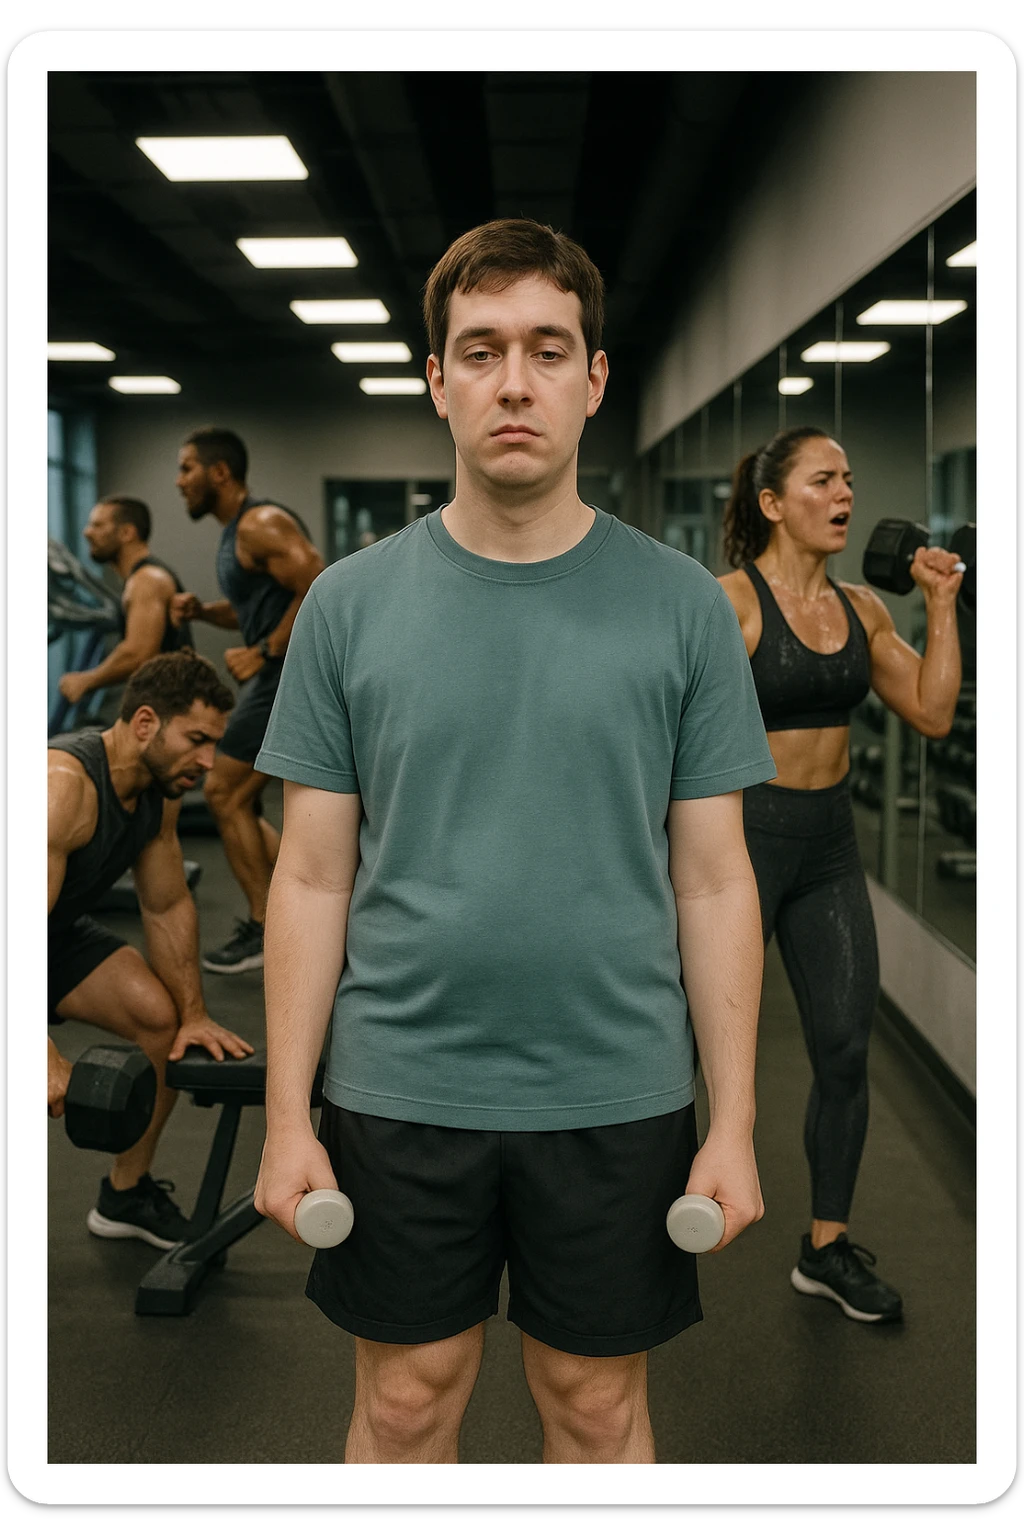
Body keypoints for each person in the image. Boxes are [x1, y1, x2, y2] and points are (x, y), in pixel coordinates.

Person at [252, 218, 778, 1465]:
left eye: (548, 350)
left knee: (593, 1408)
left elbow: (712, 881)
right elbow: (313, 873)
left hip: (615, 1086)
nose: (513, 381)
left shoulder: (684, 610)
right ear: (436, 381)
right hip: (397, 1083)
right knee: (405, 1400)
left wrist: (737, 1118)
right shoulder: (347, 605)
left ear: (594, 380)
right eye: (479, 351)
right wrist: (286, 1114)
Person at [717, 425, 963, 1325]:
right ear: (774, 503)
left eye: (850, 479)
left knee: (845, 1050)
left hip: (827, 847)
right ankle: (633, 1224)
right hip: (739, 844)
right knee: (682, 1047)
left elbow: (933, 714)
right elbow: (660, 733)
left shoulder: (865, 610)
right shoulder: (730, 605)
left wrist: (940, 603)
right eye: (824, 480)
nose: (846, 494)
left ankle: (825, 1246)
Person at [48, 648, 256, 1247]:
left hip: (53, 935)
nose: (209, 760)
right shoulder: (62, 789)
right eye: (196, 739)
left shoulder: (159, 789)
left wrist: (193, 1013)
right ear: (145, 724)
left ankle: (124, 1193)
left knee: (158, 1021)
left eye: (214, 743)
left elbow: (164, 906)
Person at [169, 428, 325, 975]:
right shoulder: (236, 533)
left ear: (219, 472)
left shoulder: (260, 523)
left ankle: (266, 925)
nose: (179, 481)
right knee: (239, 798)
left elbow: (318, 583)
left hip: (286, 673)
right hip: (274, 673)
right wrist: (205, 612)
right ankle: (303, 908)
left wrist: (262, 653)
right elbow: (258, 605)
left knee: (223, 791)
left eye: (187, 468)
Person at [57, 496, 193, 717]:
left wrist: (86, 680)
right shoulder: (139, 579)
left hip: (172, 710)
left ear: (127, 533)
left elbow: (138, 653)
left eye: (98, 525)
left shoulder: (147, 579)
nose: (87, 532)